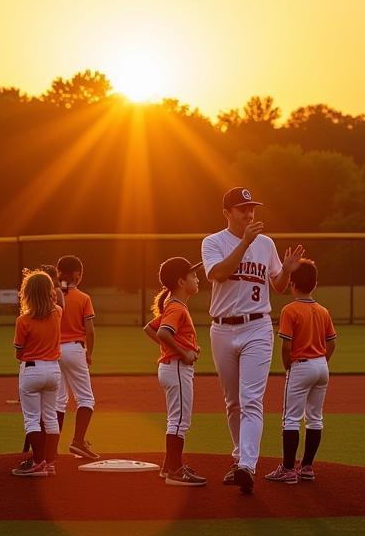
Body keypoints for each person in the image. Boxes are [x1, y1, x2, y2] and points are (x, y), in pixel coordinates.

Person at [201, 187, 304, 495]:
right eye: (242, 208)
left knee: (251, 399)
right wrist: (244, 243)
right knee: (232, 402)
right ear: (227, 213)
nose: (249, 214)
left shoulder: (266, 243)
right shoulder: (213, 242)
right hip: (222, 328)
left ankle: (247, 465)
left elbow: (280, 287)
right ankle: (239, 458)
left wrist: (285, 271)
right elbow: (218, 273)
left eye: (252, 208)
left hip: (257, 327)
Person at [266, 259, 337, 485]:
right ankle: (307, 467)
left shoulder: (290, 309)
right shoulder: (323, 310)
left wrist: (288, 365)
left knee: (291, 419)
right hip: (321, 366)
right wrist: (321, 360)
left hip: (301, 365)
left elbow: (286, 346)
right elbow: (332, 343)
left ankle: (287, 469)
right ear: (315, 284)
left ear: (291, 284)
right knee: (315, 419)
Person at [143, 257, 207, 486]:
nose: (197, 278)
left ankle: (170, 465)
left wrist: (183, 348)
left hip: (172, 366)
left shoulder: (174, 305)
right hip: (177, 368)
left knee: (177, 419)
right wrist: (182, 353)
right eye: (193, 275)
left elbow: (150, 328)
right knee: (180, 421)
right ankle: (175, 471)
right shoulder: (177, 307)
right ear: (181, 281)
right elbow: (162, 334)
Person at [11, 269, 63, 477]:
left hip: (32, 369)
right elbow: (57, 301)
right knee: (50, 417)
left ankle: (38, 462)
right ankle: (49, 462)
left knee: (32, 419)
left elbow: (18, 352)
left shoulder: (23, 320)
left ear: (27, 293)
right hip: (53, 369)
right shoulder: (58, 311)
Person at [55, 255, 99, 460]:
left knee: (58, 401)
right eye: (79, 274)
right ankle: (78, 441)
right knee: (86, 398)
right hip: (74, 349)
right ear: (76, 275)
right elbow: (89, 331)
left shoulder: (53, 295)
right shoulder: (83, 297)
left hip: (53, 350)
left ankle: (49, 448)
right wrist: (89, 353)